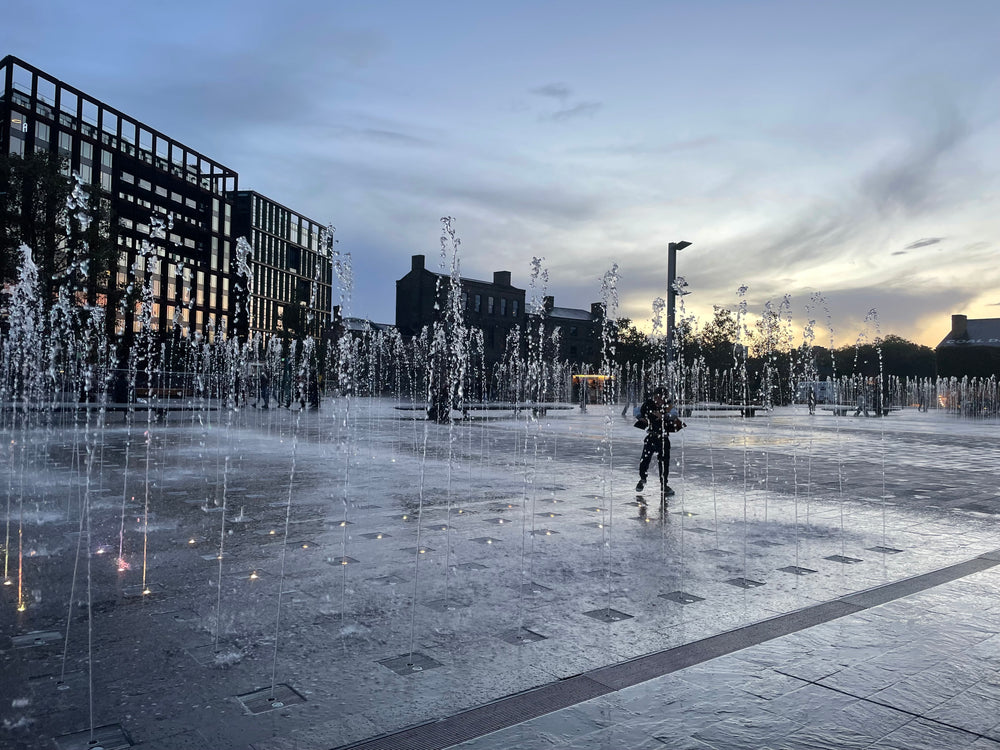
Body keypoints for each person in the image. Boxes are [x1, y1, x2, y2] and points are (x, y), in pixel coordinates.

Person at [635, 387, 684, 500]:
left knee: (663, 463)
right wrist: (640, 418)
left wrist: (664, 416)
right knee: (644, 459)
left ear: (665, 398)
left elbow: (674, 414)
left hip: (663, 438)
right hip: (651, 437)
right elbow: (637, 410)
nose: (657, 400)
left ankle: (664, 485)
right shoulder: (648, 405)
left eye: (660, 398)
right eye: (655, 397)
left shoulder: (668, 407)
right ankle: (642, 479)